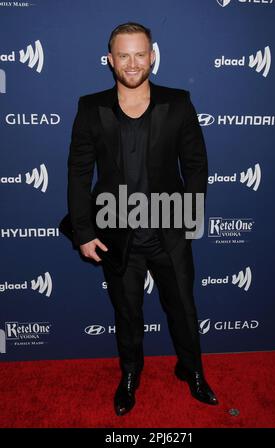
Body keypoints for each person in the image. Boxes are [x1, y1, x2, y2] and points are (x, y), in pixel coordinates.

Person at [67, 22, 218, 416]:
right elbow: (79, 174)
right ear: (110, 60)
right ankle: (130, 375)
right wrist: (83, 231)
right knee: (127, 312)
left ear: (152, 56)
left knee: (184, 307)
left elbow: (196, 165)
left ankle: (193, 371)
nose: (132, 64)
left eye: (139, 54)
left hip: (168, 230)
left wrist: (188, 216)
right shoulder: (90, 107)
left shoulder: (179, 102)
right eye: (123, 55)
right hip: (118, 235)